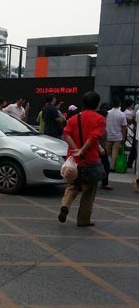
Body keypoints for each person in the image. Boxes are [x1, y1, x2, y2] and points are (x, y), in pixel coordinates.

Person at [58, 91, 105, 227]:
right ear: (97, 104)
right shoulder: (99, 119)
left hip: (73, 162)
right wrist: (82, 150)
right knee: (88, 192)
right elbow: (94, 137)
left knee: (72, 186)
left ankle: (65, 206)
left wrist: (75, 150)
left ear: (83, 103)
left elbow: (65, 133)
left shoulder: (74, 119)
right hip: (90, 161)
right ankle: (83, 220)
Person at [106, 97, 127, 171]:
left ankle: (106, 166)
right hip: (118, 136)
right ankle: (112, 167)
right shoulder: (122, 114)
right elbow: (124, 127)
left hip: (108, 135)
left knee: (107, 152)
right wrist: (123, 138)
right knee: (115, 152)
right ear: (119, 104)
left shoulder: (107, 113)